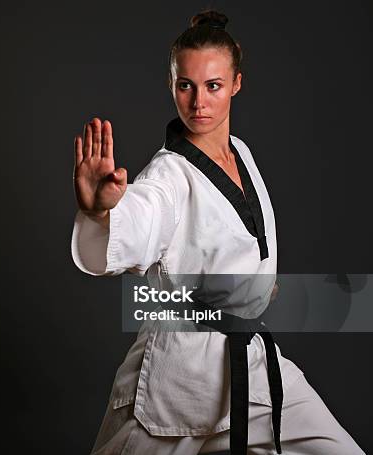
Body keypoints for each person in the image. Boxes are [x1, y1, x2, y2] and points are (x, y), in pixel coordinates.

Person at [71, 9, 365, 455]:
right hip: (179, 376)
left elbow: (240, 242)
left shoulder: (241, 153)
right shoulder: (166, 177)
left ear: (236, 84)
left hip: (249, 365)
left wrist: (257, 287)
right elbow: (139, 220)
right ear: (172, 86)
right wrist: (99, 214)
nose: (198, 103)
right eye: (185, 86)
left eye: (213, 86)